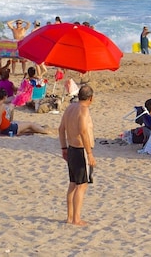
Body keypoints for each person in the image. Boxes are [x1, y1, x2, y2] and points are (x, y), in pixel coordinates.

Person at [59, 85, 95, 226]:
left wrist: (63, 147)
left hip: (72, 148)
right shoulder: (83, 110)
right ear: (91, 98)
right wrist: (90, 154)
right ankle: (76, 219)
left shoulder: (70, 108)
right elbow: (83, 132)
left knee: (73, 184)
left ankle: (70, 217)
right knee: (81, 185)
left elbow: (61, 129)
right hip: (80, 150)